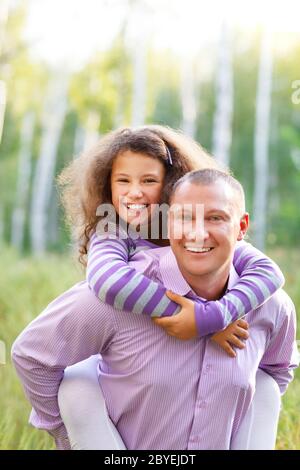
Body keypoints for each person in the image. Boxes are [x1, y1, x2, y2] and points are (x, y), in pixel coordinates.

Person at [12, 168, 298, 450]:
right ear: (168, 222)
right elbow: (32, 356)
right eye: (184, 217)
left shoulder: (271, 307)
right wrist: (71, 436)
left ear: (242, 227)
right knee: (76, 386)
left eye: (216, 218)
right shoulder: (118, 296)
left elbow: (277, 371)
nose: (198, 233)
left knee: (265, 386)